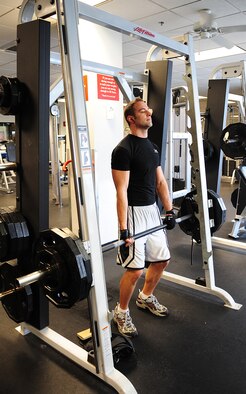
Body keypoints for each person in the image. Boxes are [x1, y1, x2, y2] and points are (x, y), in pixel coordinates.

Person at [111, 97, 176, 338]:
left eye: (148, 109)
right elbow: (121, 190)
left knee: (162, 261)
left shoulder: (152, 146)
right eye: (142, 111)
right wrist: (122, 229)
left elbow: (160, 181)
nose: (149, 113)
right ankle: (121, 311)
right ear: (131, 118)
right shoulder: (123, 150)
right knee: (135, 270)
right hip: (134, 213)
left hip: (152, 212)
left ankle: (145, 297)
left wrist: (169, 210)